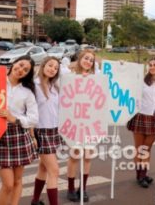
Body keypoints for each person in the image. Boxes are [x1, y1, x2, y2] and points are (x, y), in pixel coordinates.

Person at [0, 56, 39, 205]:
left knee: (17, 181)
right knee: (8, 184)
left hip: (18, 134)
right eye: (20, 65)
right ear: (14, 63)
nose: (21, 70)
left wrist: (14, 119)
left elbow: (34, 118)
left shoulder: (27, 92)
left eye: (25, 70)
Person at [127, 57, 155, 188]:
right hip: (140, 116)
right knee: (139, 149)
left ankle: (143, 174)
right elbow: (126, 81)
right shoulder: (141, 81)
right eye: (150, 65)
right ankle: (140, 176)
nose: (153, 67)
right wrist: (121, 65)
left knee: (147, 149)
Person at [66, 49, 97, 202]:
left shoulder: (96, 79)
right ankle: (71, 188)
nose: (88, 62)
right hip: (75, 123)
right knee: (74, 155)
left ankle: (83, 188)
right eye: (86, 58)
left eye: (91, 60)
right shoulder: (70, 77)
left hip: (91, 123)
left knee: (88, 156)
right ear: (80, 59)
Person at [31, 57, 62, 205]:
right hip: (41, 131)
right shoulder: (34, 85)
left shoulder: (54, 87)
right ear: (43, 65)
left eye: (55, 68)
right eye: (50, 65)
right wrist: (32, 136)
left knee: (43, 167)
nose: (52, 69)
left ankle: (35, 200)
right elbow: (29, 112)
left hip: (53, 130)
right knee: (54, 171)